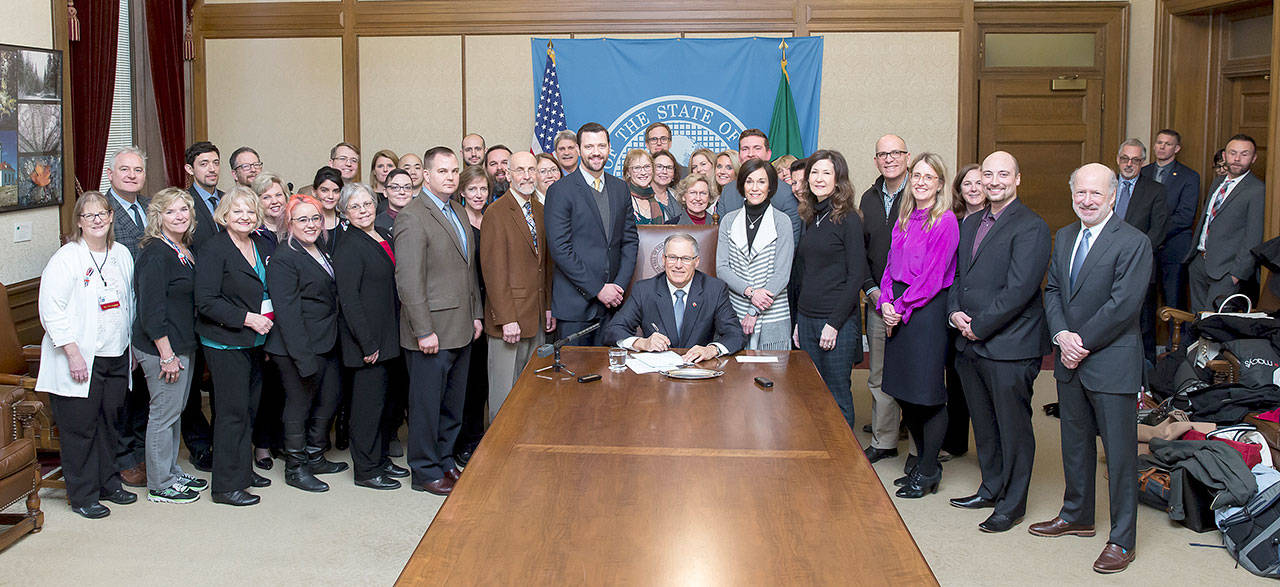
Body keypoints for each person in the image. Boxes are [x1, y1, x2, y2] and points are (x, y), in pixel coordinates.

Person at [1033, 162, 1152, 575]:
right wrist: (1062, 336)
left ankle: (1122, 540)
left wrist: (1079, 343)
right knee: (1074, 444)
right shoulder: (1065, 236)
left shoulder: (1133, 242)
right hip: (1069, 361)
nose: (1086, 201)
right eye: (1080, 193)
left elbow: (1123, 305)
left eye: (1096, 194)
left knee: (1119, 457)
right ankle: (1077, 515)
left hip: (1111, 363)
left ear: (1113, 197)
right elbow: (1052, 291)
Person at [946, 151, 1050, 534]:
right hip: (970, 344)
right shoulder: (971, 223)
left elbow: (1020, 289)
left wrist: (980, 326)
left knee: (1013, 428)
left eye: (1002, 174)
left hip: (1010, 346)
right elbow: (958, 276)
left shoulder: (1032, 227)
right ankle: (990, 487)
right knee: (985, 425)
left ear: (1017, 178)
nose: (993, 181)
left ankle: (1013, 503)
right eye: (987, 174)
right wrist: (955, 312)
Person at [36, 192, 138, 519]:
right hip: (78, 360)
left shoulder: (121, 253)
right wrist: (72, 352)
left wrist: (131, 347)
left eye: (102, 214)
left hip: (116, 355)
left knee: (110, 425)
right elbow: (50, 310)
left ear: (110, 218)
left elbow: (130, 303)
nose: (96, 220)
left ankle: (109, 483)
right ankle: (83, 495)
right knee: (80, 431)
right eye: (89, 215)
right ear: (79, 221)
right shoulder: (67, 258)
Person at [394, 146, 483, 496]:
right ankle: (424, 469)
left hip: (461, 327)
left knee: (452, 405)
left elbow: (468, 270)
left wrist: (476, 314)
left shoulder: (459, 211)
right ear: (426, 176)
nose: (449, 177)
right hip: (430, 332)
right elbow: (408, 280)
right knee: (427, 407)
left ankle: (445, 459)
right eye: (442, 171)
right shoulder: (412, 216)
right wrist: (423, 330)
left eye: (453, 171)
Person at [879, 153, 959, 499]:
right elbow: (888, 266)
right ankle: (927, 463)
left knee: (926, 394)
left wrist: (899, 306)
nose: (922, 182)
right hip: (897, 307)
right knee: (901, 390)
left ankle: (927, 469)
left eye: (930, 177)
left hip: (924, 313)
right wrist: (885, 302)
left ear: (940, 183)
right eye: (917, 177)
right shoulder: (905, 218)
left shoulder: (945, 221)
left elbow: (932, 277)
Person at [194, 186, 274, 506]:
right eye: (237, 211)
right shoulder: (215, 249)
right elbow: (206, 301)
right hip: (225, 342)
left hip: (254, 342)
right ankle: (227, 486)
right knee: (231, 413)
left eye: (250, 211)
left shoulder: (257, 243)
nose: (244, 217)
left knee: (249, 409)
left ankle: (242, 470)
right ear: (225, 215)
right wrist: (247, 319)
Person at [264, 193, 348, 493]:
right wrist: (303, 357)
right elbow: (287, 314)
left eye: (315, 218)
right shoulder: (284, 258)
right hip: (296, 347)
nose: (311, 224)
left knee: (330, 398)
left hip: (326, 340)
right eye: (302, 219)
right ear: (289, 223)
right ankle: (296, 467)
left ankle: (315, 454)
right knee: (298, 406)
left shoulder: (319, 248)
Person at [132, 188, 208, 504]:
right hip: (161, 348)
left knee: (175, 412)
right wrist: (166, 354)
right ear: (158, 217)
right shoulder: (154, 252)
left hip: (182, 342)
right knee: (163, 414)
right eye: (171, 211)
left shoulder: (181, 247)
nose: (179, 216)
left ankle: (172, 471)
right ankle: (160, 483)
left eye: (183, 210)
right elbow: (151, 310)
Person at [334, 183, 409, 490]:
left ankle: (379, 459)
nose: (363, 210)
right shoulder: (349, 245)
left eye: (367, 203)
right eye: (355, 206)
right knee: (367, 409)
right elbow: (349, 300)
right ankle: (366, 469)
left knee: (386, 405)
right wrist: (367, 343)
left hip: (390, 336)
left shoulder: (383, 234)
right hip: (368, 342)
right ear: (344, 212)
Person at [792, 150, 869, 432]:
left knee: (837, 397)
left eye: (826, 172)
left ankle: (845, 464)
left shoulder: (848, 219)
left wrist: (833, 324)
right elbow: (807, 274)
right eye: (814, 172)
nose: (819, 178)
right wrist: (801, 320)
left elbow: (856, 276)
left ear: (838, 180)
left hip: (836, 323)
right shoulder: (811, 216)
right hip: (809, 320)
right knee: (812, 394)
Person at [545, 122, 639, 346]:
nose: (596, 152)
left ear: (609, 148)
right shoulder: (560, 191)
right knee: (574, 377)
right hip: (575, 308)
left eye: (601, 146)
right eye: (589, 147)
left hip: (613, 306)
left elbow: (629, 241)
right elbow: (560, 249)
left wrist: (618, 287)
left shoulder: (620, 188)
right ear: (578, 149)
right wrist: (598, 289)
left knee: (611, 378)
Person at [480, 151, 554, 419]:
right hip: (509, 320)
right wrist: (506, 319)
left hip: (536, 316)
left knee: (532, 391)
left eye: (531, 170)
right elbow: (493, 271)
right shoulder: (496, 212)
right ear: (508, 175)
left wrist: (547, 308)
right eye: (520, 170)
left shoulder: (541, 210)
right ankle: (499, 456)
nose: (526, 176)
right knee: (504, 394)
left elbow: (545, 265)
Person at [604, 233, 744, 360]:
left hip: (699, 373)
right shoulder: (644, 290)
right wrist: (642, 343)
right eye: (672, 257)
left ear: (697, 261)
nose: (678, 265)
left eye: (686, 259)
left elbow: (735, 334)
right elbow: (614, 330)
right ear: (663, 259)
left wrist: (712, 350)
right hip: (656, 376)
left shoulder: (715, 289)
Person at [859, 134, 911, 464]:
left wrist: (904, 302)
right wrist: (874, 292)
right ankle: (885, 438)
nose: (889, 158)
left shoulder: (921, 194)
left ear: (907, 156)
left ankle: (920, 444)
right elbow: (861, 251)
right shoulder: (868, 198)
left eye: (895, 153)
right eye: (882, 154)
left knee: (915, 373)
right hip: (879, 300)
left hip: (916, 303)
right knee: (878, 374)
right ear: (876, 161)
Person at [104, 146, 149, 488]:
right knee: (123, 395)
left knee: (145, 393)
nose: (132, 175)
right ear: (111, 174)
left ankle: (141, 453)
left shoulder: (149, 208)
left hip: (148, 310)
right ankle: (123, 460)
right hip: (116, 311)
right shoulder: (100, 212)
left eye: (137, 170)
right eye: (125, 170)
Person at [716, 158, 793, 350]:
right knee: (735, 377)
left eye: (761, 181)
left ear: (770, 186)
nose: (755, 188)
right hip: (736, 310)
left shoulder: (782, 221)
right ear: (742, 185)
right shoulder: (728, 220)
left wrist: (754, 309)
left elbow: (782, 274)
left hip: (772, 314)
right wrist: (750, 292)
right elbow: (722, 268)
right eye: (749, 181)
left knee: (773, 377)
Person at [1183, 134, 1264, 313]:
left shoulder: (1257, 190)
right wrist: (1194, 260)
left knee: (1215, 324)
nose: (1237, 159)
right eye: (1232, 153)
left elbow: (1253, 237)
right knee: (1197, 320)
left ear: (1254, 158)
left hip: (1226, 271)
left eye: (1244, 154)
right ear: (1224, 155)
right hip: (1199, 263)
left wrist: (1236, 275)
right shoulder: (1218, 182)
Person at [1113, 138, 1168, 366]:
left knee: (1143, 323)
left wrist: (1133, 256)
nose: (1129, 164)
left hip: (1140, 265)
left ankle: (1146, 378)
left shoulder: (1155, 191)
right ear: (1117, 159)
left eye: (1135, 160)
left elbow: (1158, 231)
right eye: (1124, 159)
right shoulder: (1106, 187)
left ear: (1143, 162)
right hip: (1104, 265)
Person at [941, 164, 983, 460]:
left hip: (984, 314)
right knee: (954, 378)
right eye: (967, 183)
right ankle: (955, 441)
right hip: (952, 308)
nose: (973, 188)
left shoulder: (996, 221)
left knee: (981, 384)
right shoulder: (952, 220)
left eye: (979, 183)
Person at [249, 172, 289, 469]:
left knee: (288, 386)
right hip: (265, 323)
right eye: (267, 197)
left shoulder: (294, 229)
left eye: (278, 195)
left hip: (292, 321)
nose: (274, 201)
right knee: (266, 389)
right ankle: (262, 445)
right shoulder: (254, 236)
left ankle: (283, 440)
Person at [1141, 129, 1200, 314]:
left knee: (1174, 301)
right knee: (1145, 301)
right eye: (1159, 142)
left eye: (1167, 144)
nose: (1162, 147)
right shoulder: (1143, 172)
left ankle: (1177, 343)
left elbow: (1185, 216)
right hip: (1146, 247)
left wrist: (1155, 234)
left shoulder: (1189, 176)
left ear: (1177, 148)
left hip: (1173, 247)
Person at [454, 164, 491, 466]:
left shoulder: (491, 218)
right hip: (466, 308)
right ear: (462, 192)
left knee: (481, 380)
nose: (479, 195)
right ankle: (462, 442)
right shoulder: (457, 221)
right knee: (464, 382)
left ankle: (477, 437)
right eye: (473, 189)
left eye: (483, 189)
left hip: (490, 305)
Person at [713, 130, 800, 240]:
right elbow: (722, 237)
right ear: (739, 156)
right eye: (745, 149)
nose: (751, 154)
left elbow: (791, 242)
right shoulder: (728, 191)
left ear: (768, 154)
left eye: (757, 148)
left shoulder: (787, 194)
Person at [184, 141, 223, 251]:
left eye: (216, 163)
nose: (212, 169)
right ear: (190, 169)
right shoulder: (184, 202)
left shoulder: (228, 199)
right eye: (204, 164)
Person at [623, 149, 670, 225]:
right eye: (637, 168)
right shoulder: (622, 200)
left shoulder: (659, 206)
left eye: (647, 167)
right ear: (628, 172)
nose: (643, 172)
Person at [312, 166, 344, 243]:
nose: (330, 196)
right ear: (314, 192)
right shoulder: (307, 224)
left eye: (336, 191)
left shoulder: (347, 224)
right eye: (324, 190)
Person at [651, 150, 681, 218]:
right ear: (650, 169)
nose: (664, 171)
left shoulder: (678, 197)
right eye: (659, 166)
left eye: (669, 168)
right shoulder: (642, 197)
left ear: (674, 174)